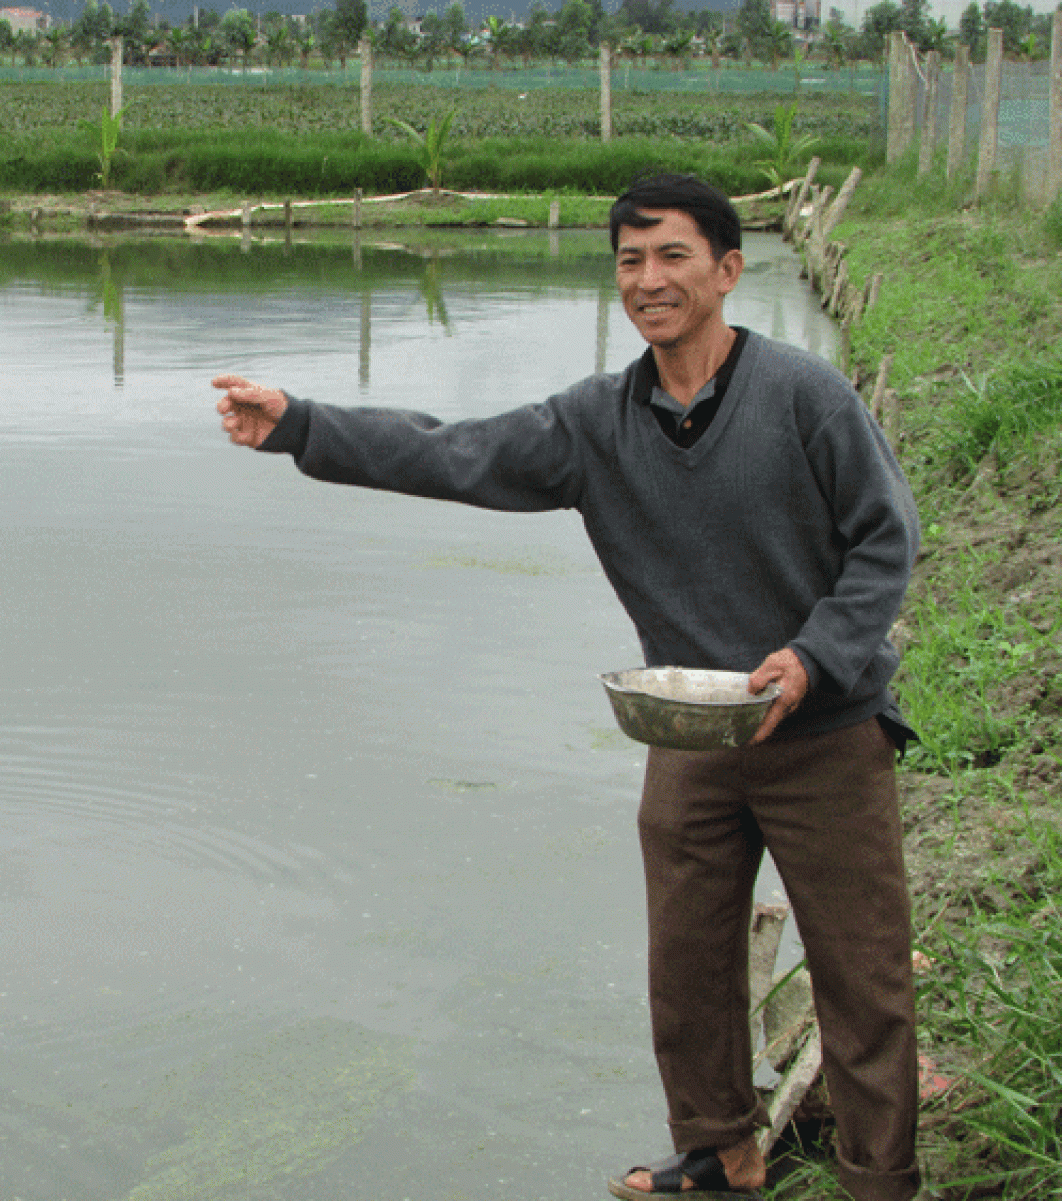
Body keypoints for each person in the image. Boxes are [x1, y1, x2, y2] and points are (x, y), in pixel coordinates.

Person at [211, 173, 922, 1201]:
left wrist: (814, 657)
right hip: (689, 733)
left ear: (726, 270)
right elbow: (453, 452)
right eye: (629, 259)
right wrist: (300, 425)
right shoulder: (594, 423)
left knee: (864, 976)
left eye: (673, 255)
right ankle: (722, 1152)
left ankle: (880, 1183)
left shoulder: (804, 396)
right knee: (685, 966)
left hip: (823, 730)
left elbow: (882, 540)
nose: (648, 279)